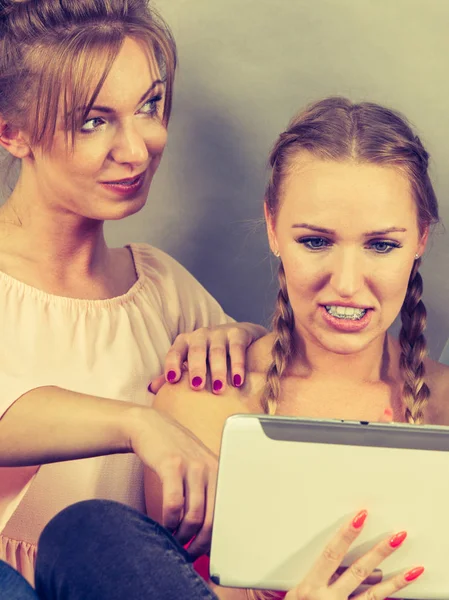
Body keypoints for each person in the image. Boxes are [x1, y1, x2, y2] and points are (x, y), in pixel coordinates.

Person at [0, 0, 266, 585]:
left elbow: (269, 375)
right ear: (11, 132)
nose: (139, 148)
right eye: (92, 121)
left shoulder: (159, 286)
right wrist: (138, 423)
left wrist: (239, 336)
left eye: (149, 106)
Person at [147, 97, 449, 599]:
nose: (348, 284)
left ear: (420, 238)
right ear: (272, 227)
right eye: (315, 241)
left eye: (381, 245)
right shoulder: (199, 404)